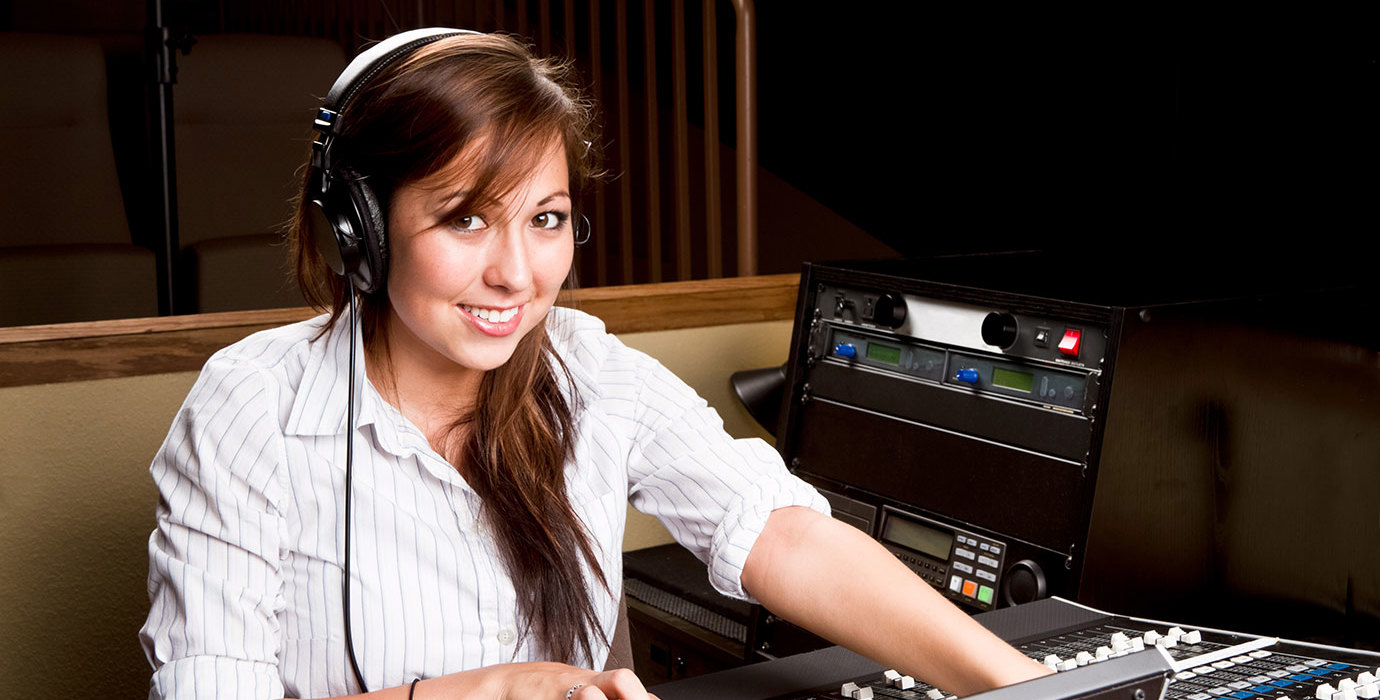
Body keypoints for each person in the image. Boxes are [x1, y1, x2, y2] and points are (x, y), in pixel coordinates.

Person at [140, 29, 1051, 700]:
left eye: (544, 219)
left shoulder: (582, 365)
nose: (517, 273)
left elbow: (781, 535)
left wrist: (1024, 687)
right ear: (361, 233)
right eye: (464, 218)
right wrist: (478, 694)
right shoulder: (251, 409)